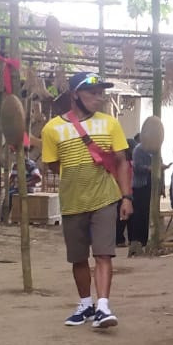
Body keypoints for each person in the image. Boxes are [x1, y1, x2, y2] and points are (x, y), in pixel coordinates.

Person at [41, 72, 133, 329]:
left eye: (100, 92)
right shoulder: (52, 129)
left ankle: (103, 306)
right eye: (92, 92)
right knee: (78, 257)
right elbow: (52, 165)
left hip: (105, 198)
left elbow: (122, 162)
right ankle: (85, 305)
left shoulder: (110, 124)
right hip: (72, 201)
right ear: (75, 95)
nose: (98, 97)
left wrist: (126, 197)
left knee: (104, 253)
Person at [125, 134, 155, 249]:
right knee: (139, 213)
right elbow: (137, 167)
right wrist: (149, 168)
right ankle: (136, 239)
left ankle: (144, 239)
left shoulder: (153, 149)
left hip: (150, 184)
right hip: (140, 185)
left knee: (147, 212)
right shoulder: (139, 149)